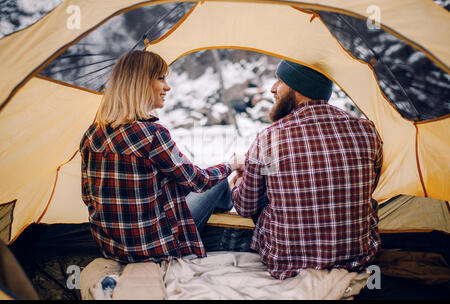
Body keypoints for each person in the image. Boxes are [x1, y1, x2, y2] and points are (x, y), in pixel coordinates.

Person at [80, 50, 239, 264]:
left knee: (180, 181)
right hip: (155, 247)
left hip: (111, 248)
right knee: (218, 183)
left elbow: (87, 196)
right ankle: (224, 225)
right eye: (161, 78)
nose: (168, 87)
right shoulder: (152, 134)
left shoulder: (92, 134)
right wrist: (232, 164)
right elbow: (198, 181)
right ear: (140, 84)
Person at [231, 59, 383, 280]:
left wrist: (239, 178)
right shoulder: (367, 130)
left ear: (298, 89)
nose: (273, 89)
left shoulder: (268, 138)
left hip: (286, 262)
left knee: (260, 190)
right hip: (357, 257)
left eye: (281, 81)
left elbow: (245, 206)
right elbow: (372, 184)